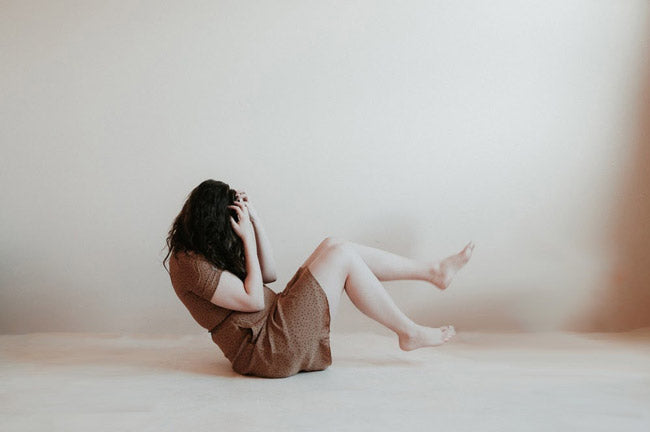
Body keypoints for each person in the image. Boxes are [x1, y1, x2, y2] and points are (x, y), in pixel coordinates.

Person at [163, 179, 474, 378]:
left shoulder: (205, 248)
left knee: (335, 246)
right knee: (340, 254)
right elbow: (254, 299)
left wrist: (255, 223)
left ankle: (432, 272)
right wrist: (244, 239)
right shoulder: (189, 264)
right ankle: (410, 331)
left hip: (274, 324)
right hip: (267, 350)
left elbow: (268, 274)